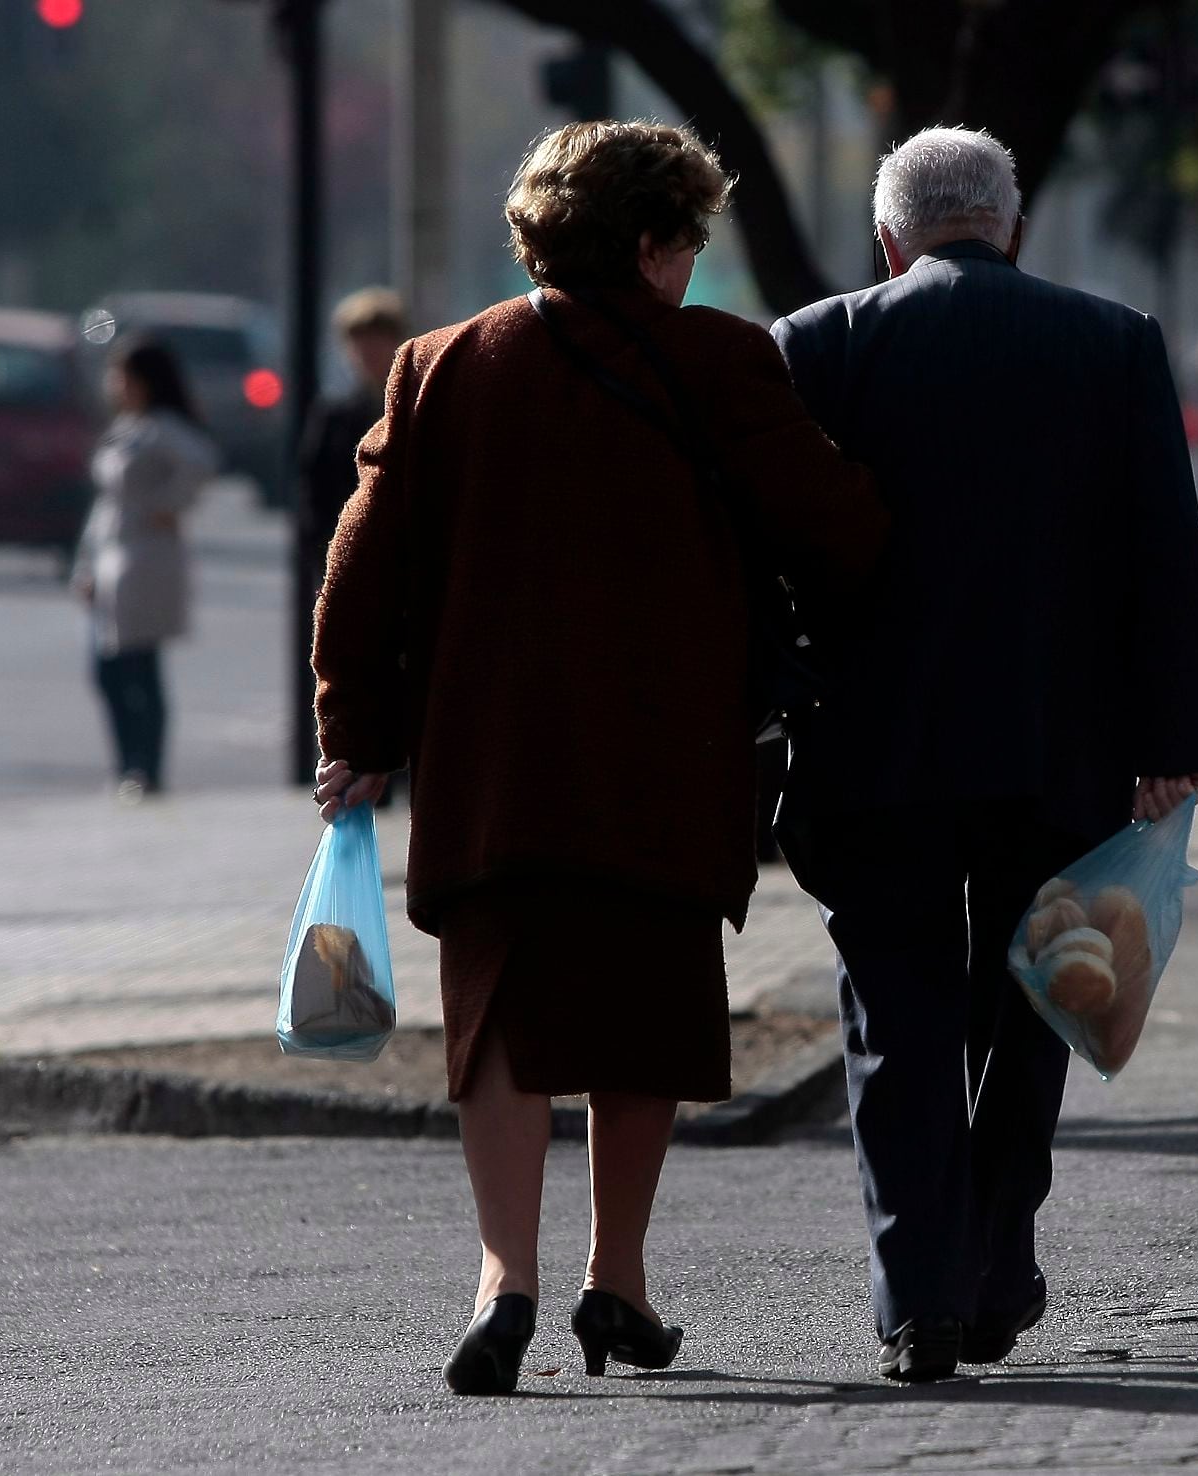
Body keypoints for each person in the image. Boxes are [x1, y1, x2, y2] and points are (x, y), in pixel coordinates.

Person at [308, 120, 885, 1397]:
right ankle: (613, 1277)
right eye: (685, 238)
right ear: (648, 243)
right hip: (662, 761)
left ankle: (500, 1277)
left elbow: (358, 568)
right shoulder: (720, 362)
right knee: (644, 1020)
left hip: (491, 760)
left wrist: (357, 736)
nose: (690, 260)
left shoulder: (439, 366)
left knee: (500, 1022)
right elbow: (837, 527)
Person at [771, 126, 1198, 1384]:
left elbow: (774, 557)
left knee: (896, 1024)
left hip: (878, 752)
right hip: (1058, 744)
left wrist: (775, 709)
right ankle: (1000, 1252)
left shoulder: (819, 345)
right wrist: (1178, 739)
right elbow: (1164, 555)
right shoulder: (1113, 341)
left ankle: (920, 1297)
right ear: (1012, 228)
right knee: (1040, 999)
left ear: (890, 238)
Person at [72, 338, 218, 801]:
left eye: (125, 376)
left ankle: (146, 768)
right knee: (107, 669)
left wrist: (168, 505)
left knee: (138, 665)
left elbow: (201, 462)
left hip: (147, 558)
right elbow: (103, 505)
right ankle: (127, 763)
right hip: (113, 553)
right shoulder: (125, 428)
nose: (116, 385)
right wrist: (85, 564)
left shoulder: (162, 428)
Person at [297, 289, 407, 581]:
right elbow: (314, 492)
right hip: (349, 559)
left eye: (377, 341)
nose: (367, 353)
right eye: (359, 343)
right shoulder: (334, 416)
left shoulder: (417, 409)